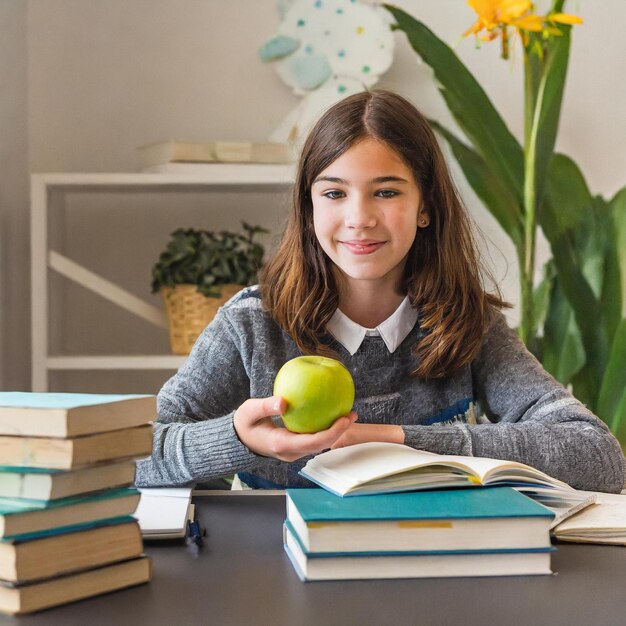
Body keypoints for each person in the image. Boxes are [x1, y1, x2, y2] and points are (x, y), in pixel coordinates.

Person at [135, 90, 625, 493]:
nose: (359, 219)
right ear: (308, 210)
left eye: (386, 192)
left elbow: (599, 456)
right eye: (334, 193)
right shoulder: (251, 325)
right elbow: (131, 457)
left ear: (425, 206)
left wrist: (396, 440)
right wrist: (241, 439)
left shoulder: (467, 324)